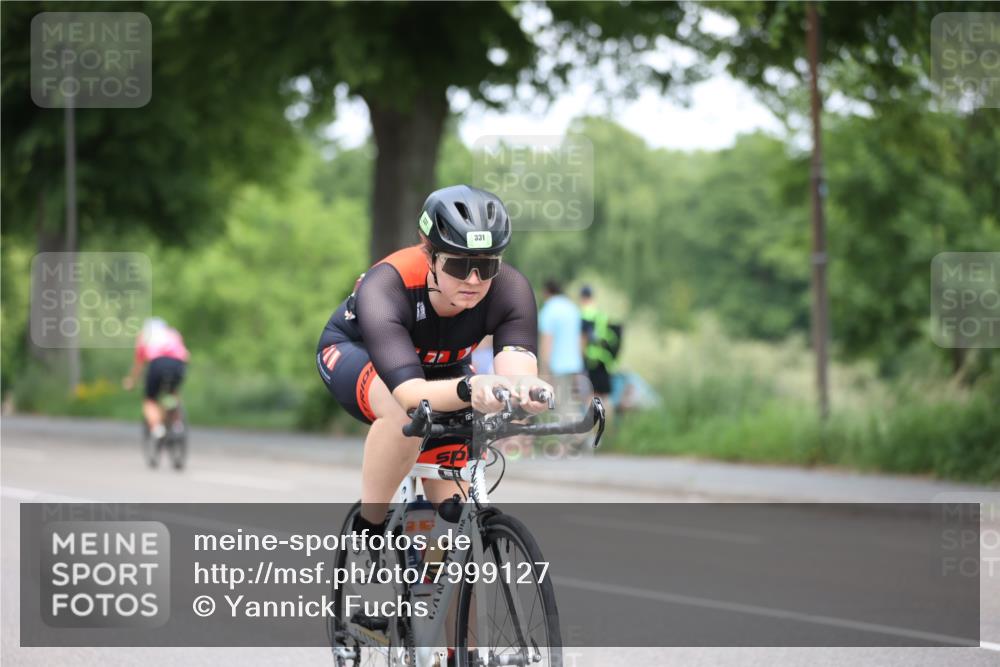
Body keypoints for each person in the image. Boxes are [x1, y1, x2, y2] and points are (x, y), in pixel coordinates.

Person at [316, 185, 552, 534]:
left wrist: (526, 391)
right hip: (360, 354)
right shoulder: (387, 285)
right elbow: (411, 394)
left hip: (444, 366)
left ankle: (437, 576)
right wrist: (471, 387)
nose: (473, 279)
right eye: (459, 264)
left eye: (486, 266)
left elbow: (516, 371)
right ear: (429, 256)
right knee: (405, 413)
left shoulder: (510, 289)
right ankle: (371, 525)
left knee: (454, 521)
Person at [123, 317, 190, 442]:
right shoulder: (173, 333)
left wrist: (132, 381)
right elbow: (186, 355)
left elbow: (139, 363)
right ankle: (177, 424)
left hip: (157, 363)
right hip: (178, 364)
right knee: (173, 392)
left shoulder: (144, 336)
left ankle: (158, 429)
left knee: (150, 400)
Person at [579, 285, 621, 411]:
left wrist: (580, 358)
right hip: (604, 361)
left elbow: (583, 340)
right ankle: (610, 428)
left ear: (582, 298)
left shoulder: (584, 314)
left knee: (590, 397)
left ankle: (591, 428)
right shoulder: (601, 314)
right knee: (606, 397)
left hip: (591, 361)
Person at [538, 279, 584, 381]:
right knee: (570, 397)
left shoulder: (549, 309)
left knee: (557, 396)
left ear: (546, 292)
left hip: (556, 368)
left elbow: (546, 341)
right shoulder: (573, 307)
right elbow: (580, 338)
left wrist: (543, 371)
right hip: (575, 366)